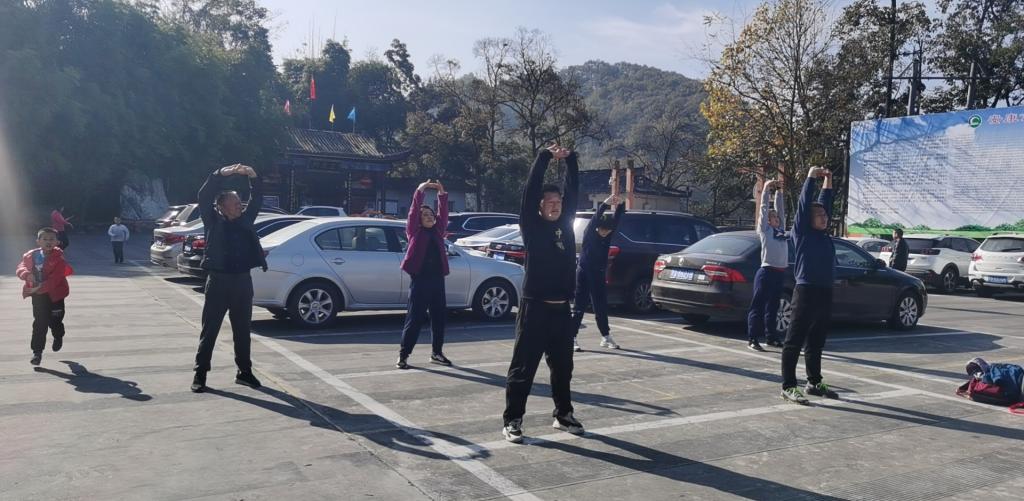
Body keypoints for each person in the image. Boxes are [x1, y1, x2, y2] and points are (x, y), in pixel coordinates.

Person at [502, 144, 582, 444]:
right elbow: (529, 190)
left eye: (558, 201)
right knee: (524, 367)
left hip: (561, 310)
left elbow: (574, 190)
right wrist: (544, 157)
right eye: (549, 202)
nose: (555, 205)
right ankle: (513, 419)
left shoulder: (566, 223)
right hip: (534, 308)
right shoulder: (532, 225)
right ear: (539, 206)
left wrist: (571, 160)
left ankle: (564, 415)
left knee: (563, 367)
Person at [191, 164, 267, 393]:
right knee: (210, 330)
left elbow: (257, 198)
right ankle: (200, 373)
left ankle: (244, 372)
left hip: (242, 282)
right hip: (218, 282)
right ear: (222, 207)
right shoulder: (212, 221)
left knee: (242, 330)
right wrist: (220, 174)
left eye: (239, 202)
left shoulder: (246, 220)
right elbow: (203, 196)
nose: (239, 206)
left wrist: (253, 177)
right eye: (234, 203)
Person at [780, 167, 838, 405]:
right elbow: (805, 205)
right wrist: (811, 177)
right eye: (819, 215)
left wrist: (828, 179)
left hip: (825, 290)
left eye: (825, 215)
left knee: (816, 339)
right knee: (794, 340)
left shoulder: (823, 234)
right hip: (806, 291)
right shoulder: (802, 232)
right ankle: (788, 386)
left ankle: (814, 382)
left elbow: (826, 202)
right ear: (808, 219)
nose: (824, 218)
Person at [396, 179, 451, 369]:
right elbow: (413, 211)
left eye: (431, 214)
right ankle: (403, 355)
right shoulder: (414, 231)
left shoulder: (438, 231)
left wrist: (441, 193)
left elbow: (443, 213)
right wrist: (421, 190)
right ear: (419, 219)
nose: (429, 216)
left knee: (439, 319)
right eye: (425, 214)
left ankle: (437, 353)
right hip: (420, 281)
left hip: (438, 281)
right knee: (415, 319)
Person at [572, 193, 625, 352]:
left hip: (598, 273)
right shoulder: (589, 233)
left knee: (601, 306)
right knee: (579, 306)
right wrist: (605, 203)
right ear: (598, 227)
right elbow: (595, 218)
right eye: (603, 230)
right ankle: (571, 337)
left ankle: (605, 336)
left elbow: (616, 219)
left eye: (607, 231)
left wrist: (621, 204)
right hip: (584, 273)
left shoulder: (608, 234)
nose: (605, 233)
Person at [16, 228, 73, 365]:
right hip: (38, 296)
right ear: (38, 241)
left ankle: (58, 335)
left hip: (56, 295)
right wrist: (26, 274)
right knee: (40, 323)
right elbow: (21, 267)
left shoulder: (59, 259)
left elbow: (55, 279)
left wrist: (39, 288)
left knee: (55, 321)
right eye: (45, 239)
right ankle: (37, 352)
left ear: (57, 242)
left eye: (52, 239)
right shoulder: (31, 255)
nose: (48, 242)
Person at [747, 179, 787, 352]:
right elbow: (763, 209)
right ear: (768, 221)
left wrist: (779, 191)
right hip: (767, 272)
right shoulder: (765, 230)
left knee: (773, 307)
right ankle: (752, 338)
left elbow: (781, 211)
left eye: (777, 218)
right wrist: (766, 189)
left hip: (780, 272)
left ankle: (771, 337)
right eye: (774, 218)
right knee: (758, 306)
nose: (777, 219)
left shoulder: (781, 231)